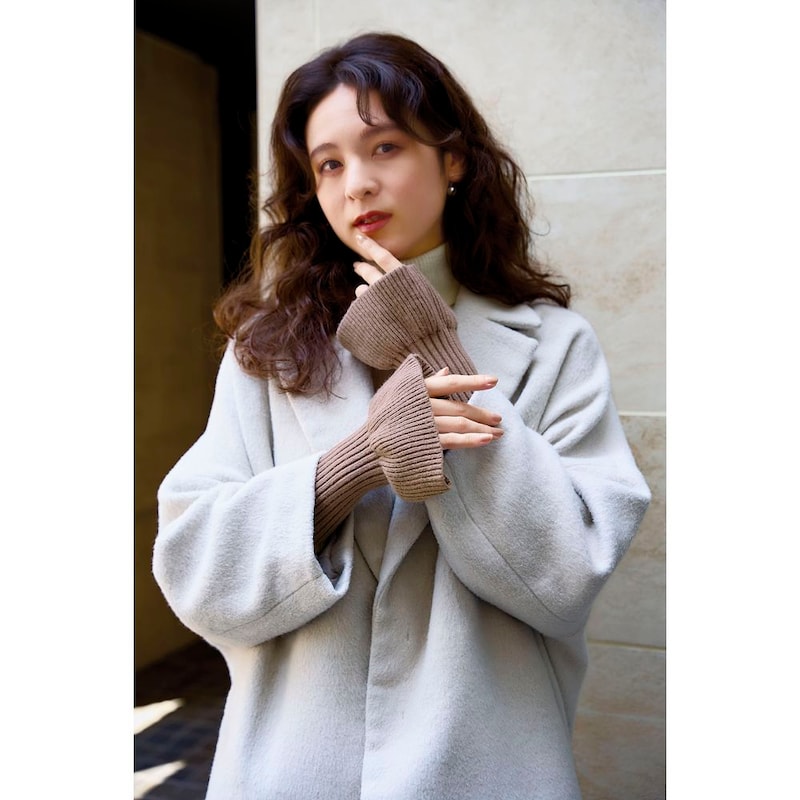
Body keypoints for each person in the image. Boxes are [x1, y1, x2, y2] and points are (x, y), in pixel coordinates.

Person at [153, 31, 651, 800]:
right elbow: (194, 572)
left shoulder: (557, 346)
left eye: (384, 147)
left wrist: (432, 345)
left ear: (453, 160)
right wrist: (348, 469)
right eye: (328, 164)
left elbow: (565, 576)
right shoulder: (266, 352)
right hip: (293, 772)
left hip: (483, 768)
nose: (356, 184)